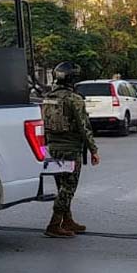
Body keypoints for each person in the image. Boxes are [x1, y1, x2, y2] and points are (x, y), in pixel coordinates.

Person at [40, 62, 100, 238]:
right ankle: (54, 224)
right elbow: (84, 127)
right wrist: (93, 150)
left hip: (52, 148)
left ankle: (67, 220)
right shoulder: (74, 99)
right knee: (69, 188)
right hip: (71, 149)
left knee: (62, 187)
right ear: (72, 79)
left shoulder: (48, 97)